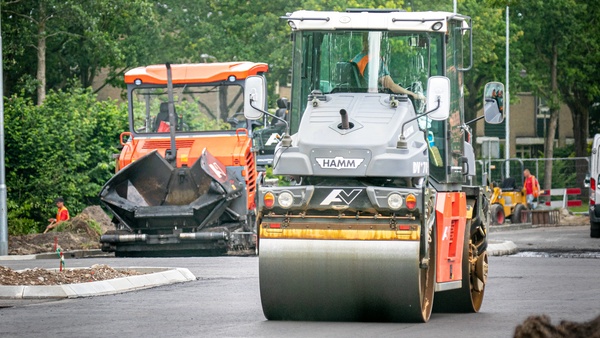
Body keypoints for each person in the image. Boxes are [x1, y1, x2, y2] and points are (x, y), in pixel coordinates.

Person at [351, 34, 425, 100]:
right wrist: (413, 95)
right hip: (374, 99)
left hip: (359, 98)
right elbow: (390, 86)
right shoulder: (374, 60)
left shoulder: (356, 58)